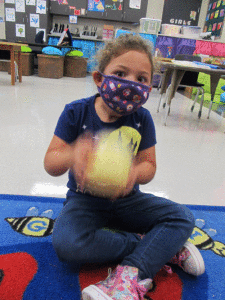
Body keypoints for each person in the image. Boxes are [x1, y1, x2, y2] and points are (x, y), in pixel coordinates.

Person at [44, 33, 205, 300]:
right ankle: (157, 246)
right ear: (99, 79)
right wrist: (73, 153)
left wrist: (134, 173)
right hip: (85, 201)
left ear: (149, 88)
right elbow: (50, 163)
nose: (130, 84)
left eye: (141, 79)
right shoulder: (75, 112)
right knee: (67, 244)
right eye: (120, 73)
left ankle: (131, 273)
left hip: (128, 200)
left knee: (183, 217)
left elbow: (149, 166)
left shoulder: (142, 119)